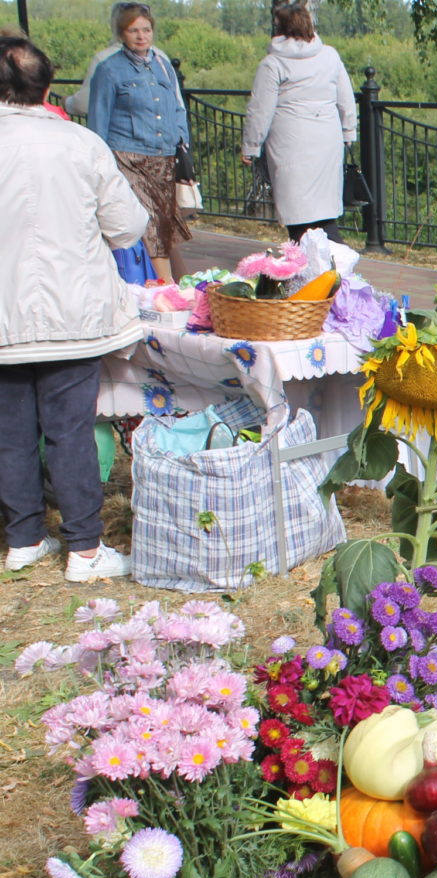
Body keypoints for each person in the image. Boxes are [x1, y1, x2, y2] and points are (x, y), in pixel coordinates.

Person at [0, 36, 145, 581]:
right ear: (47, 85)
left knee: (9, 433)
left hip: (5, 317)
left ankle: (23, 538)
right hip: (72, 313)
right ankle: (83, 549)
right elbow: (128, 226)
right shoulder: (80, 144)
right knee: (69, 430)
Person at [86, 1, 191, 282]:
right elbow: (98, 120)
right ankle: (166, 284)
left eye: (146, 30)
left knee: (165, 220)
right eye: (134, 31)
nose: (141, 36)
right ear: (122, 34)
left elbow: (177, 107)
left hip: (163, 155)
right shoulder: (109, 70)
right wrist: (102, 164)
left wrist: (182, 143)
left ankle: (154, 280)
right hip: (128, 155)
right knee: (149, 219)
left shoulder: (162, 65)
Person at [240, 0, 357, 244]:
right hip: (327, 141)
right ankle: (333, 269)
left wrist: (251, 146)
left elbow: (260, 109)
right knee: (325, 215)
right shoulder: (329, 56)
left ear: (278, 27)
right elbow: (346, 99)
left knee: (298, 217)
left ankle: (312, 272)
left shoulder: (272, 64)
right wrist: (348, 133)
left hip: (290, 144)